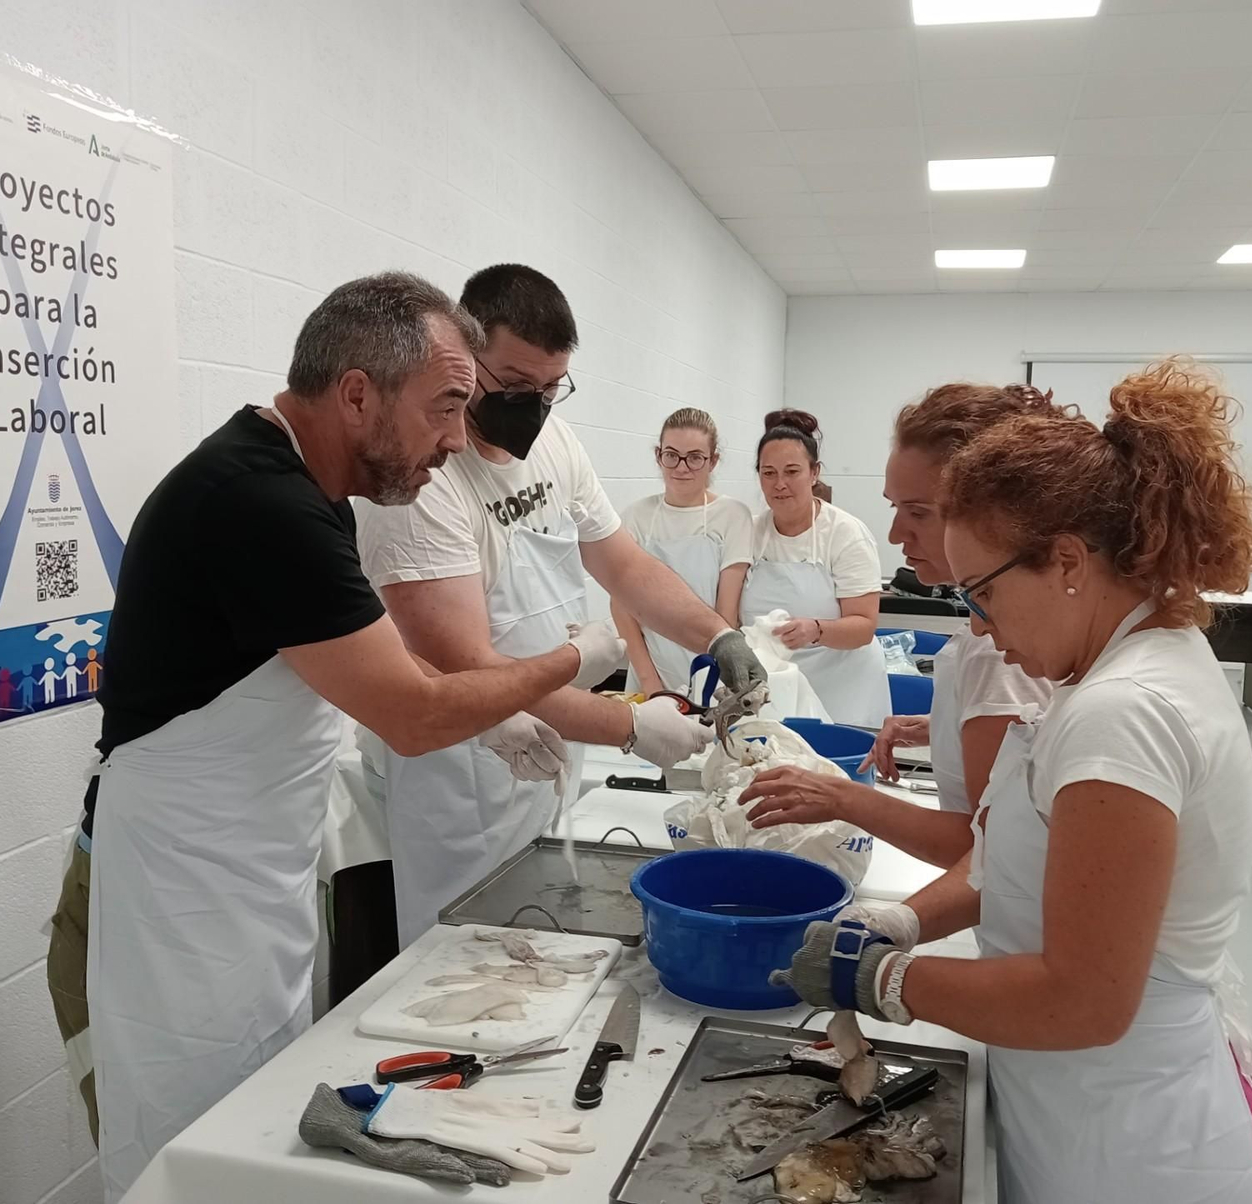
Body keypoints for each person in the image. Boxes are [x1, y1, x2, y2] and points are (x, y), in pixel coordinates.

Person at [45, 271, 628, 1203]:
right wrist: (577, 656)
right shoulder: (258, 504)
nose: (455, 438)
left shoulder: (308, 495)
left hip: (245, 883)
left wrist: (489, 716)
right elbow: (412, 711)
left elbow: (381, 673)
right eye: (446, 406)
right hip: (175, 900)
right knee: (187, 1157)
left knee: (252, 1139)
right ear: (358, 393)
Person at [769, 361, 1252, 1203]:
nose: (984, 631)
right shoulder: (1110, 670)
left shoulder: (1127, 711)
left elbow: (1084, 999)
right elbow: (1014, 857)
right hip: (1078, 1103)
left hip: (1129, 1143)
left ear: (1068, 561)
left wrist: (886, 981)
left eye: (983, 596)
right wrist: (898, 921)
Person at [355, 264, 767, 946]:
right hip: (468, 758)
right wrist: (629, 728)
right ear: (464, 358)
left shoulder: (553, 441)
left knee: (545, 934)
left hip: (555, 738)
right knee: (463, 952)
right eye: (515, 387)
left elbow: (624, 564)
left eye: (551, 388)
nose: (535, 406)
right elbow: (469, 666)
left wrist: (716, 636)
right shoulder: (426, 477)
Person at [743, 384, 1052, 870]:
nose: (894, 535)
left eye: (918, 512)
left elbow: (986, 851)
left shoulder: (1003, 652)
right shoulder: (987, 635)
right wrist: (943, 728)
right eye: (894, 508)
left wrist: (841, 798)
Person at [741, 410, 890, 728]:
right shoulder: (749, 533)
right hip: (777, 687)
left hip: (844, 686)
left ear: (814, 473)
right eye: (769, 473)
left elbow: (864, 625)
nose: (779, 484)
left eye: (792, 471)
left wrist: (816, 630)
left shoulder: (844, 533)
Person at [610, 407, 754, 696]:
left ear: (713, 461)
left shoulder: (732, 516)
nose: (682, 467)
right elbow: (622, 606)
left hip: (713, 672)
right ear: (658, 455)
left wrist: (712, 678)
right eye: (672, 455)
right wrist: (650, 682)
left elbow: (727, 612)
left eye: (695, 458)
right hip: (649, 672)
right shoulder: (636, 516)